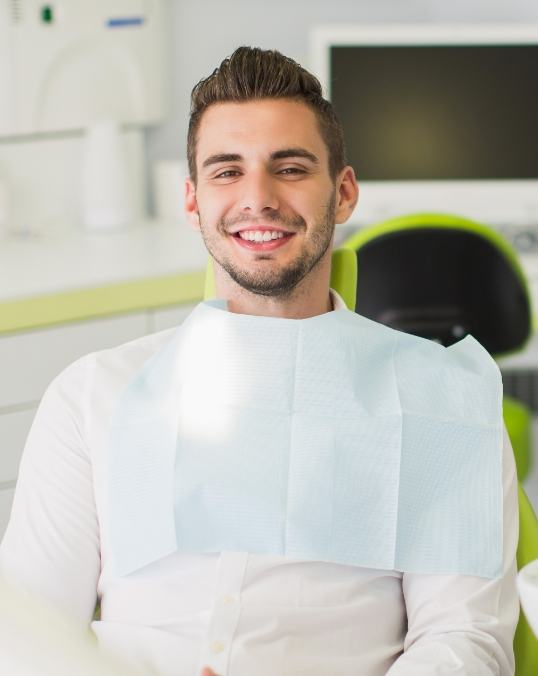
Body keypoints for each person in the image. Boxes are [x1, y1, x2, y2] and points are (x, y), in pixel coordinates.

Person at [0, 47, 519, 676]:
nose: (258, 198)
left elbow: (462, 641)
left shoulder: (440, 399)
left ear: (344, 192)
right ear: (193, 202)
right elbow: (29, 634)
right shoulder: (93, 397)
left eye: (291, 167)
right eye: (226, 171)